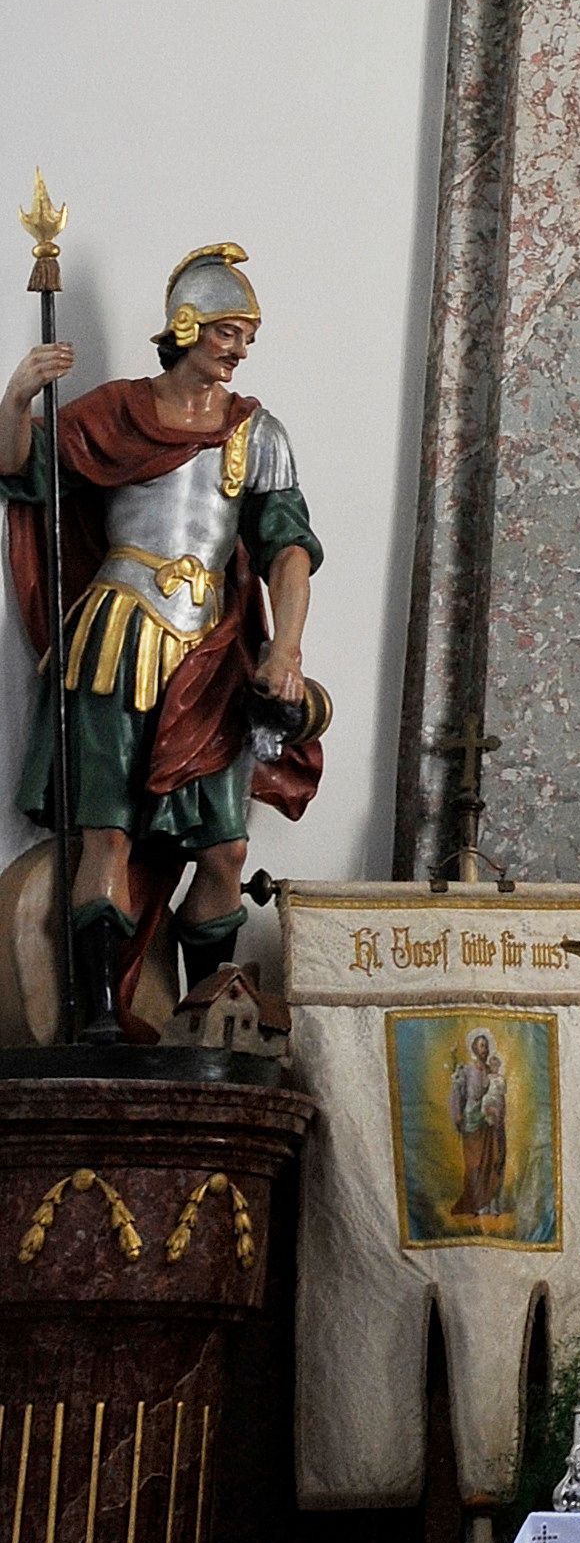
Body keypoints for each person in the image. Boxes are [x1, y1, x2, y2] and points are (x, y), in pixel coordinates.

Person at [1, 245, 325, 1043]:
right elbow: (23, 475)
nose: (240, 349)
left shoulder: (258, 431)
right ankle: (99, 1017)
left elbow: (287, 549)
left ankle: (200, 1017)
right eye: (228, 331)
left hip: (211, 654)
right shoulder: (114, 412)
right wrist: (17, 400)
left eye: (247, 335)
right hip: (116, 640)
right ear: (186, 327)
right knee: (104, 833)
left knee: (222, 848)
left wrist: (283, 651)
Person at [448, 1029, 510, 1224]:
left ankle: (488, 1202)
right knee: (474, 1164)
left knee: (491, 1161)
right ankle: (475, 1201)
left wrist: (496, 1113)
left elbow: (498, 1096)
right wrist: (457, 1116)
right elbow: (457, 1094)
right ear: (474, 1048)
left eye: (486, 1046)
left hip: (489, 1123)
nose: (484, 1049)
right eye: (481, 1046)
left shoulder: (493, 1073)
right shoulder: (466, 1071)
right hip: (471, 1123)